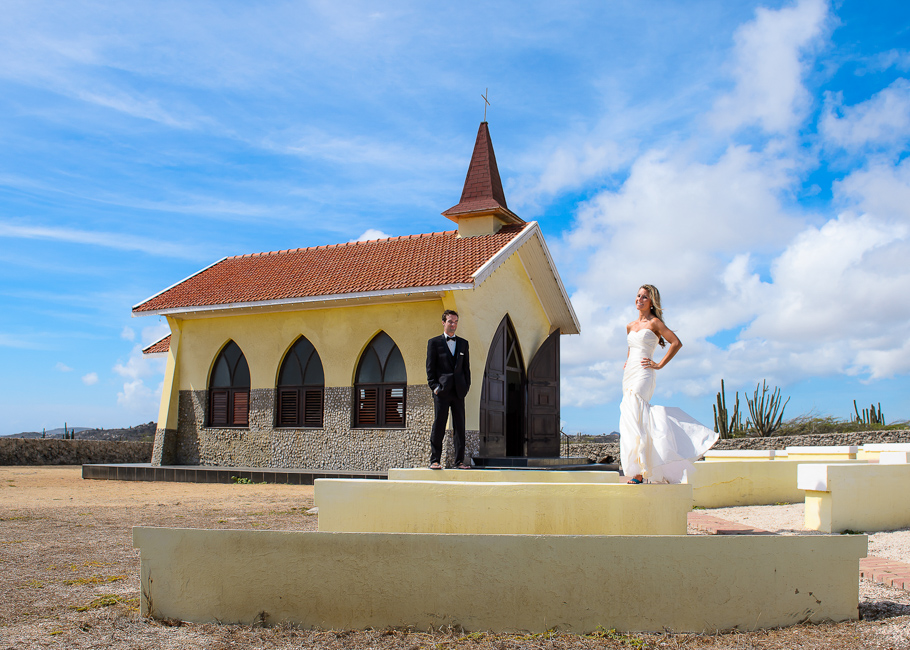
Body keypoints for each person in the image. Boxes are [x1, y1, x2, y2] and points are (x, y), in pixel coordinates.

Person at [620, 285, 719, 484]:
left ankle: (640, 472)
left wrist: (659, 364)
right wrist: (627, 360)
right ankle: (640, 467)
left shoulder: (655, 323)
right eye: (638, 295)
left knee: (638, 413)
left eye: (644, 297)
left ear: (652, 301)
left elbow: (676, 343)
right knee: (631, 417)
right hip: (629, 373)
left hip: (644, 373)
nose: (639, 299)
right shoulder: (630, 326)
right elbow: (632, 348)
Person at [426, 310, 471, 469]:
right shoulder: (434, 343)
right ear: (443, 322)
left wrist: (466, 387)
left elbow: (466, 369)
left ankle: (459, 461)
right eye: (450, 321)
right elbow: (430, 369)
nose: (453, 325)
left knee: (460, 426)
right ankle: (435, 460)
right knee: (439, 424)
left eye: (456, 321)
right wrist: (435, 387)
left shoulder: (463, 343)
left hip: (459, 392)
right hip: (442, 392)